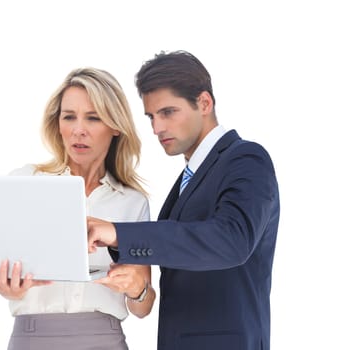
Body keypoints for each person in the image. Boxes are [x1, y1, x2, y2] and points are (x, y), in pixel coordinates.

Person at [87, 51, 280, 350]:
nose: (156, 128)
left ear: (204, 103)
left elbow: (232, 240)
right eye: (151, 117)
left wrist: (118, 233)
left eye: (167, 112)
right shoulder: (188, 179)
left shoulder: (246, 159)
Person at [0, 67, 156, 350]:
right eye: (69, 117)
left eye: (93, 117)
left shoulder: (132, 202)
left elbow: (143, 306)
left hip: (106, 340)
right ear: (57, 123)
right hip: (32, 338)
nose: (78, 130)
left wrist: (137, 289)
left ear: (115, 126)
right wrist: (8, 287)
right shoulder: (25, 182)